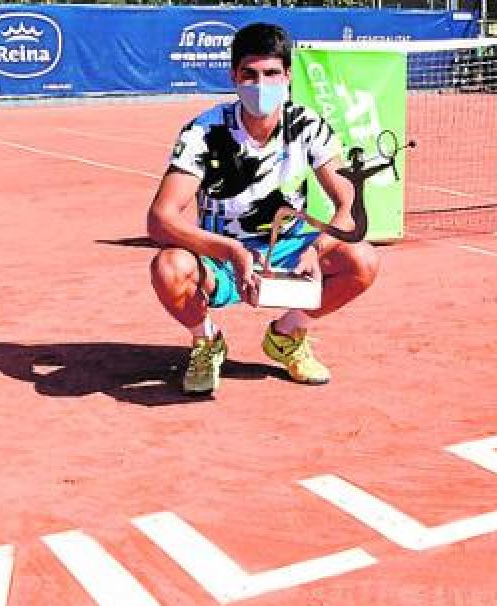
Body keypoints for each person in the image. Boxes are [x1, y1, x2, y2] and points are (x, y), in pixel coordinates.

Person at [146, 22, 379, 396]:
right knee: (169, 267)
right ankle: (206, 340)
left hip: (285, 250)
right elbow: (160, 218)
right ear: (233, 76)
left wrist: (315, 250)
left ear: (287, 75)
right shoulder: (203, 133)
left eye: (271, 74)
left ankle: (287, 335)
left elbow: (348, 206)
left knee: (362, 260)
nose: (261, 85)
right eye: (249, 75)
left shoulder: (307, 126)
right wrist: (231, 251)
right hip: (220, 257)